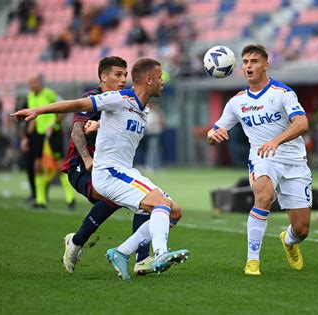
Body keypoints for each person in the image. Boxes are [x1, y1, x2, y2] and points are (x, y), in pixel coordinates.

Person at [12, 58, 189, 279]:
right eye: (160, 77)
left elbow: (117, 126)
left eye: (125, 74)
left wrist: (99, 125)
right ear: (149, 79)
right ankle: (159, 254)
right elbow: (77, 105)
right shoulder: (117, 98)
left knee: (174, 211)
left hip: (124, 171)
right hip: (106, 172)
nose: (163, 81)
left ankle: (122, 252)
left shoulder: (144, 109)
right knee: (158, 203)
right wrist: (38, 110)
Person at [60, 56, 182, 275]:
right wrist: (88, 159)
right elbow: (77, 130)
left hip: (116, 167)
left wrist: (99, 125)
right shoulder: (95, 98)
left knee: (145, 201)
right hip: (83, 165)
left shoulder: (135, 104)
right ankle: (78, 243)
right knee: (133, 198)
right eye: (118, 75)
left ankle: (139, 258)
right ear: (103, 77)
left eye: (125, 75)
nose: (123, 79)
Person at [207, 44, 312, 276]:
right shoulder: (236, 102)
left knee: (302, 229)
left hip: (294, 161)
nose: (248, 66)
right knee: (264, 196)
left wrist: (277, 141)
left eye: (253, 61)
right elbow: (214, 131)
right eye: (245, 62)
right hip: (262, 158)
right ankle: (252, 261)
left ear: (266, 64)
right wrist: (212, 136)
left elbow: (302, 123)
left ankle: (289, 240)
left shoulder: (283, 93)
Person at [25, 74, 75, 209]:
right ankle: (40, 201)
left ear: (40, 83)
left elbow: (64, 109)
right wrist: (26, 137)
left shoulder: (49, 94)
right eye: (29, 84)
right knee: (37, 166)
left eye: (33, 83)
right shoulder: (30, 96)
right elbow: (33, 118)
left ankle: (70, 199)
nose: (31, 86)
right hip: (38, 135)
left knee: (59, 167)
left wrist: (54, 123)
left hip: (54, 134)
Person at [144, 103, 165, 172]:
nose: (157, 108)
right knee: (152, 151)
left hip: (158, 134)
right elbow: (148, 125)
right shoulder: (150, 114)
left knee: (157, 151)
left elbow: (163, 123)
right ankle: (149, 166)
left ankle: (156, 166)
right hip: (152, 135)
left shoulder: (159, 114)